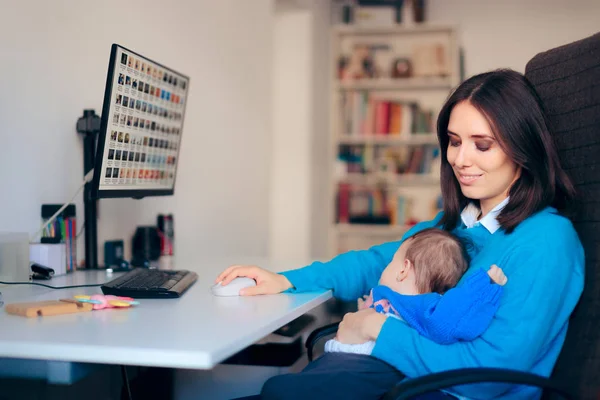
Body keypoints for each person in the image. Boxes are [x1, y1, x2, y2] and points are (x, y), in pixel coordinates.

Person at [216, 69, 585, 400]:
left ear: (523, 150)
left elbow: (487, 376)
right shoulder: (456, 222)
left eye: (481, 144)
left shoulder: (547, 241)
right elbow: (379, 262)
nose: (460, 159)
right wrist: (285, 279)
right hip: (401, 381)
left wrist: (374, 328)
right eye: (455, 142)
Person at [325, 227, 507, 358]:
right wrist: (365, 307)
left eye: (391, 262)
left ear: (403, 270)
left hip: (363, 364)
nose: (385, 269)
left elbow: (453, 320)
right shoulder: (389, 297)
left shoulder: (424, 305)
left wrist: (485, 286)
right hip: (345, 355)